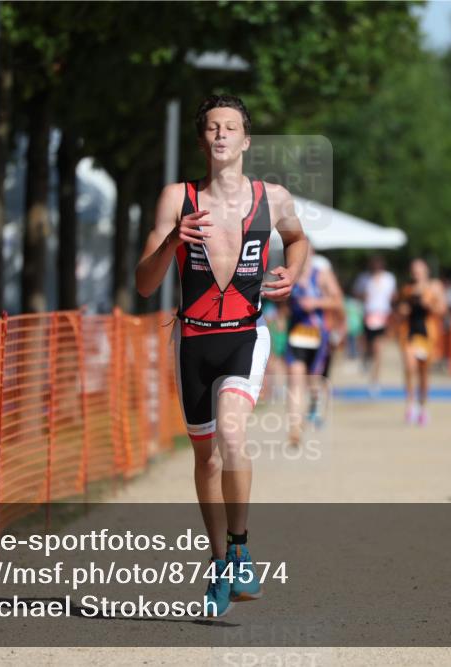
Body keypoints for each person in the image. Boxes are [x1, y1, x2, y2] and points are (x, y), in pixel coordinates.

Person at [135, 94, 309, 614]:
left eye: (230, 127)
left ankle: (240, 547)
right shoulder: (177, 198)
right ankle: (219, 562)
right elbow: (145, 285)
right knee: (206, 457)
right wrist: (171, 242)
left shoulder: (272, 197)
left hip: (245, 334)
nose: (221, 135)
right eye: (212, 127)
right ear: (202, 140)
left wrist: (293, 271)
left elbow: (298, 239)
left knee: (233, 432)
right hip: (192, 340)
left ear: (246, 140)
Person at [285, 247, 343, 444]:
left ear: (312, 253)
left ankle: (315, 405)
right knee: (295, 379)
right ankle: (295, 427)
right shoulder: (288, 273)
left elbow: (337, 301)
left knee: (313, 381)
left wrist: (316, 303)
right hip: (296, 335)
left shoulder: (321, 275)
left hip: (318, 336)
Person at [394, 259, 446, 425]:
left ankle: (423, 406)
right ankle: (410, 404)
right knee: (410, 367)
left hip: (426, 334)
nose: (416, 273)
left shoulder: (434, 286)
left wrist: (429, 304)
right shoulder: (406, 288)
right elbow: (398, 308)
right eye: (413, 270)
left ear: (426, 271)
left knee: (424, 372)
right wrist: (402, 311)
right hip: (409, 333)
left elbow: (443, 309)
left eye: (419, 270)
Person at [356, 256, 397, 393]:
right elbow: (356, 293)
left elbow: (393, 296)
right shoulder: (364, 278)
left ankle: (375, 380)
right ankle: (366, 360)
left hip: (383, 316)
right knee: (368, 347)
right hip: (367, 315)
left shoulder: (389, 278)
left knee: (378, 349)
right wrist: (364, 296)